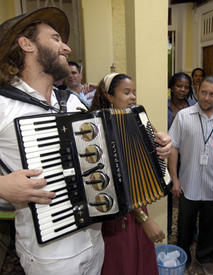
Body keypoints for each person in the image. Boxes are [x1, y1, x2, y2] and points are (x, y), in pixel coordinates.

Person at [0, 7, 104, 274]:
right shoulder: (3, 105)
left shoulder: (71, 102)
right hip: (50, 256)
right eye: (56, 38)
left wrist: (150, 146)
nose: (66, 48)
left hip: (95, 240)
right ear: (26, 44)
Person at [91, 72, 171, 275]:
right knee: (122, 261)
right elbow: (113, 182)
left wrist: (163, 147)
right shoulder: (97, 129)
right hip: (116, 211)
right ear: (109, 96)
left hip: (137, 201)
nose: (133, 97)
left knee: (140, 257)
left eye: (134, 92)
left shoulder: (138, 118)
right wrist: (144, 219)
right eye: (126, 92)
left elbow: (155, 157)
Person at [168, 76, 213, 275]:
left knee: (211, 226)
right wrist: (174, 179)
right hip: (187, 184)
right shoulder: (183, 116)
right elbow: (173, 148)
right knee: (184, 227)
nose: (207, 98)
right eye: (204, 92)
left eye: (212, 94)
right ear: (198, 90)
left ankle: (206, 257)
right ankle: (183, 256)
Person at [167, 72, 195, 237]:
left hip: (188, 157)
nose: (183, 90)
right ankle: (168, 228)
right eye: (179, 86)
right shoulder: (164, 106)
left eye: (186, 87)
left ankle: (190, 231)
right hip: (168, 155)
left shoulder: (194, 106)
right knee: (169, 194)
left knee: (189, 196)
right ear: (171, 86)